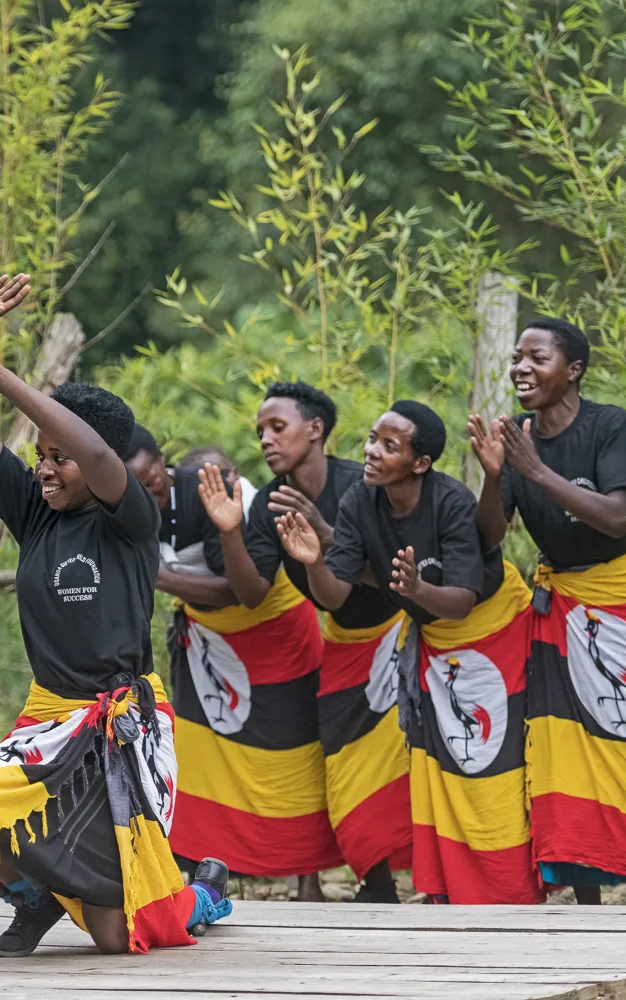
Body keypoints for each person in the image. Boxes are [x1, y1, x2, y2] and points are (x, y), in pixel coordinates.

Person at [0, 304, 230, 957]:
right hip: (50, 716)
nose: (44, 468)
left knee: (120, 936)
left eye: (58, 458)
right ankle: (34, 900)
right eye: (39, 456)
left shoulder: (128, 521)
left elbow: (94, 449)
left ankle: (202, 891)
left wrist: (5, 377)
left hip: (121, 725)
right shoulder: (35, 513)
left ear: (97, 465)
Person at [281, 402, 540, 903]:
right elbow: (335, 594)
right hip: (433, 640)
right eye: (372, 438)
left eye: (388, 446)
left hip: (487, 632)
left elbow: (463, 600)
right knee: (434, 762)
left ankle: (507, 889)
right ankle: (445, 887)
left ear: (419, 463)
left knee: (488, 764)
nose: (371, 451)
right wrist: (314, 563)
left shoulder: (450, 502)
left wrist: (416, 589)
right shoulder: (361, 499)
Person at [470, 317, 626, 902]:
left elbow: (614, 517)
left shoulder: (608, 425)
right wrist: (494, 477)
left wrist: (535, 470)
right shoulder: (512, 439)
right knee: (569, 744)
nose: (521, 369)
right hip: (566, 605)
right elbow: (488, 538)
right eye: (517, 358)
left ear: (574, 370)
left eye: (537, 358)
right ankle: (587, 895)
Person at [199, 382, 408, 903]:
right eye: (261, 432)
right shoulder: (268, 503)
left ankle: (429, 883)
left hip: (399, 631)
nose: (267, 441)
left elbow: (390, 571)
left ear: (315, 430)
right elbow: (251, 593)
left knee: (408, 760)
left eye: (278, 427)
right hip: (342, 639)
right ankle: (376, 882)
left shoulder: (362, 485)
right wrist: (230, 530)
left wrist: (325, 531)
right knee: (345, 763)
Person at [123, 428, 341, 900]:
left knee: (296, 751)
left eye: (153, 481)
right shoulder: (118, 507)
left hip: (275, 629)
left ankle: (308, 879)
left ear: (165, 463)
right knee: (200, 755)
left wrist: (155, 575)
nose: (148, 493)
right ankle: (203, 875)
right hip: (208, 640)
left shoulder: (211, 491)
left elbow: (238, 590)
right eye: (134, 487)